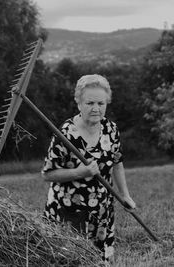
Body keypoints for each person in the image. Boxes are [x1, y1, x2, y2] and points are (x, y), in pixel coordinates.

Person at [42, 74, 136, 263]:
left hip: (101, 211)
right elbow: (48, 174)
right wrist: (80, 172)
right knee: (70, 260)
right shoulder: (66, 133)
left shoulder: (111, 129)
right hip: (68, 212)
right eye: (90, 103)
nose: (96, 109)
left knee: (100, 260)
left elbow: (117, 163)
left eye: (101, 103)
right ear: (79, 103)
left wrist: (125, 195)